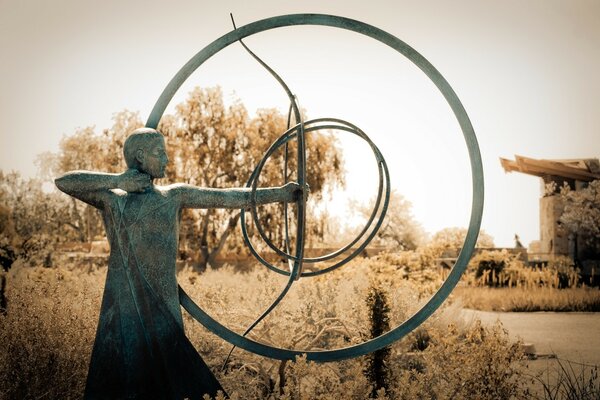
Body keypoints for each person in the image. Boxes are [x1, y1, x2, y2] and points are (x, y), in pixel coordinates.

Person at [55, 127, 302, 399]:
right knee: (125, 382)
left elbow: (231, 198)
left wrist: (280, 194)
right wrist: (119, 181)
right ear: (140, 156)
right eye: (160, 153)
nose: (167, 160)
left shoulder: (174, 196)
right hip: (124, 307)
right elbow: (64, 181)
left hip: (164, 306)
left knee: (170, 382)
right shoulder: (113, 199)